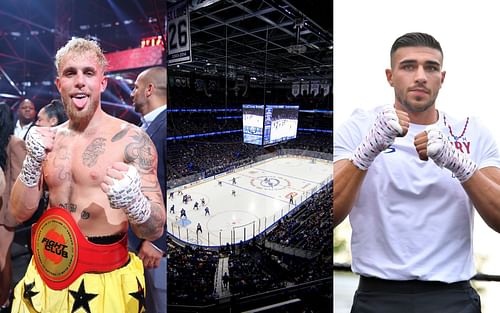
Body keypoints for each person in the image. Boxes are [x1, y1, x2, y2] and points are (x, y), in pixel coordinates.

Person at [334, 32, 500, 313]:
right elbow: (329, 213)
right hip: (377, 295)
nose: (420, 76)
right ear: (390, 75)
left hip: (452, 296)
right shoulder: (359, 127)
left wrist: (459, 163)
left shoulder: (471, 131)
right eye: (409, 66)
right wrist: (367, 152)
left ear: (442, 77)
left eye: (431, 67)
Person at [9, 37, 165, 313]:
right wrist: (33, 163)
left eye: (89, 73)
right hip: (45, 269)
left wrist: (135, 204)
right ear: (59, 84)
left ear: (102, 83)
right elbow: (18, 213)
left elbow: (154, 230)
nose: (80, 81)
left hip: (103, 278)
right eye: (71, 73)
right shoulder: (49, 140)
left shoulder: (132, 140)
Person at [129, 66, 167, 313]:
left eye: (135, 87)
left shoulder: (164, 127)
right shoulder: (142, 128)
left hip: (155, 248)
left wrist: (158, 242)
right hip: (140, 239)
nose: (132, 92)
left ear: (149, 89)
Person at [0, 103, 27, 312]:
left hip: (5, 213)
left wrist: (13, 213)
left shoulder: (15, 143)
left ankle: (3, 300)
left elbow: (19, 179)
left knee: (3, 258)